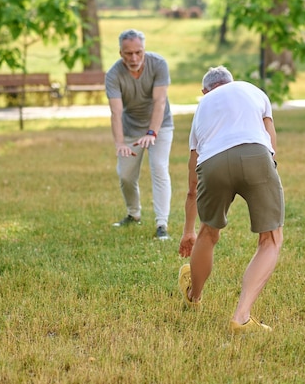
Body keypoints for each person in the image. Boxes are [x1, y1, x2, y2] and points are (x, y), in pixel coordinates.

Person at [177, 66, 284, 334]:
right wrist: (268, 166)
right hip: (256, 154)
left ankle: (194, 296)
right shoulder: (251, 90)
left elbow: (193, 182)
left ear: (205, 91)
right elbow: (270, 138)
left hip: (212, 163)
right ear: (231, 83)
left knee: (208, 233)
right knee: (270, 239)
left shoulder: (202, 109)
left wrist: (189, 230)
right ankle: (241, 316)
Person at [105, 29, 174, 240]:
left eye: (138, 52)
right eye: (128, 53)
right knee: (125, 176)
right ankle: (133, 214)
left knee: (159, 168)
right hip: (131, 128)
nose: (134, 58)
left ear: (144, 49)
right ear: (120, 53)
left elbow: (159, 102)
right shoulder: (113, 75)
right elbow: (116, 112)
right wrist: (119, 144)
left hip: (160, 126)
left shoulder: (158, 64)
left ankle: (162, 224)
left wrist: (152, 132)